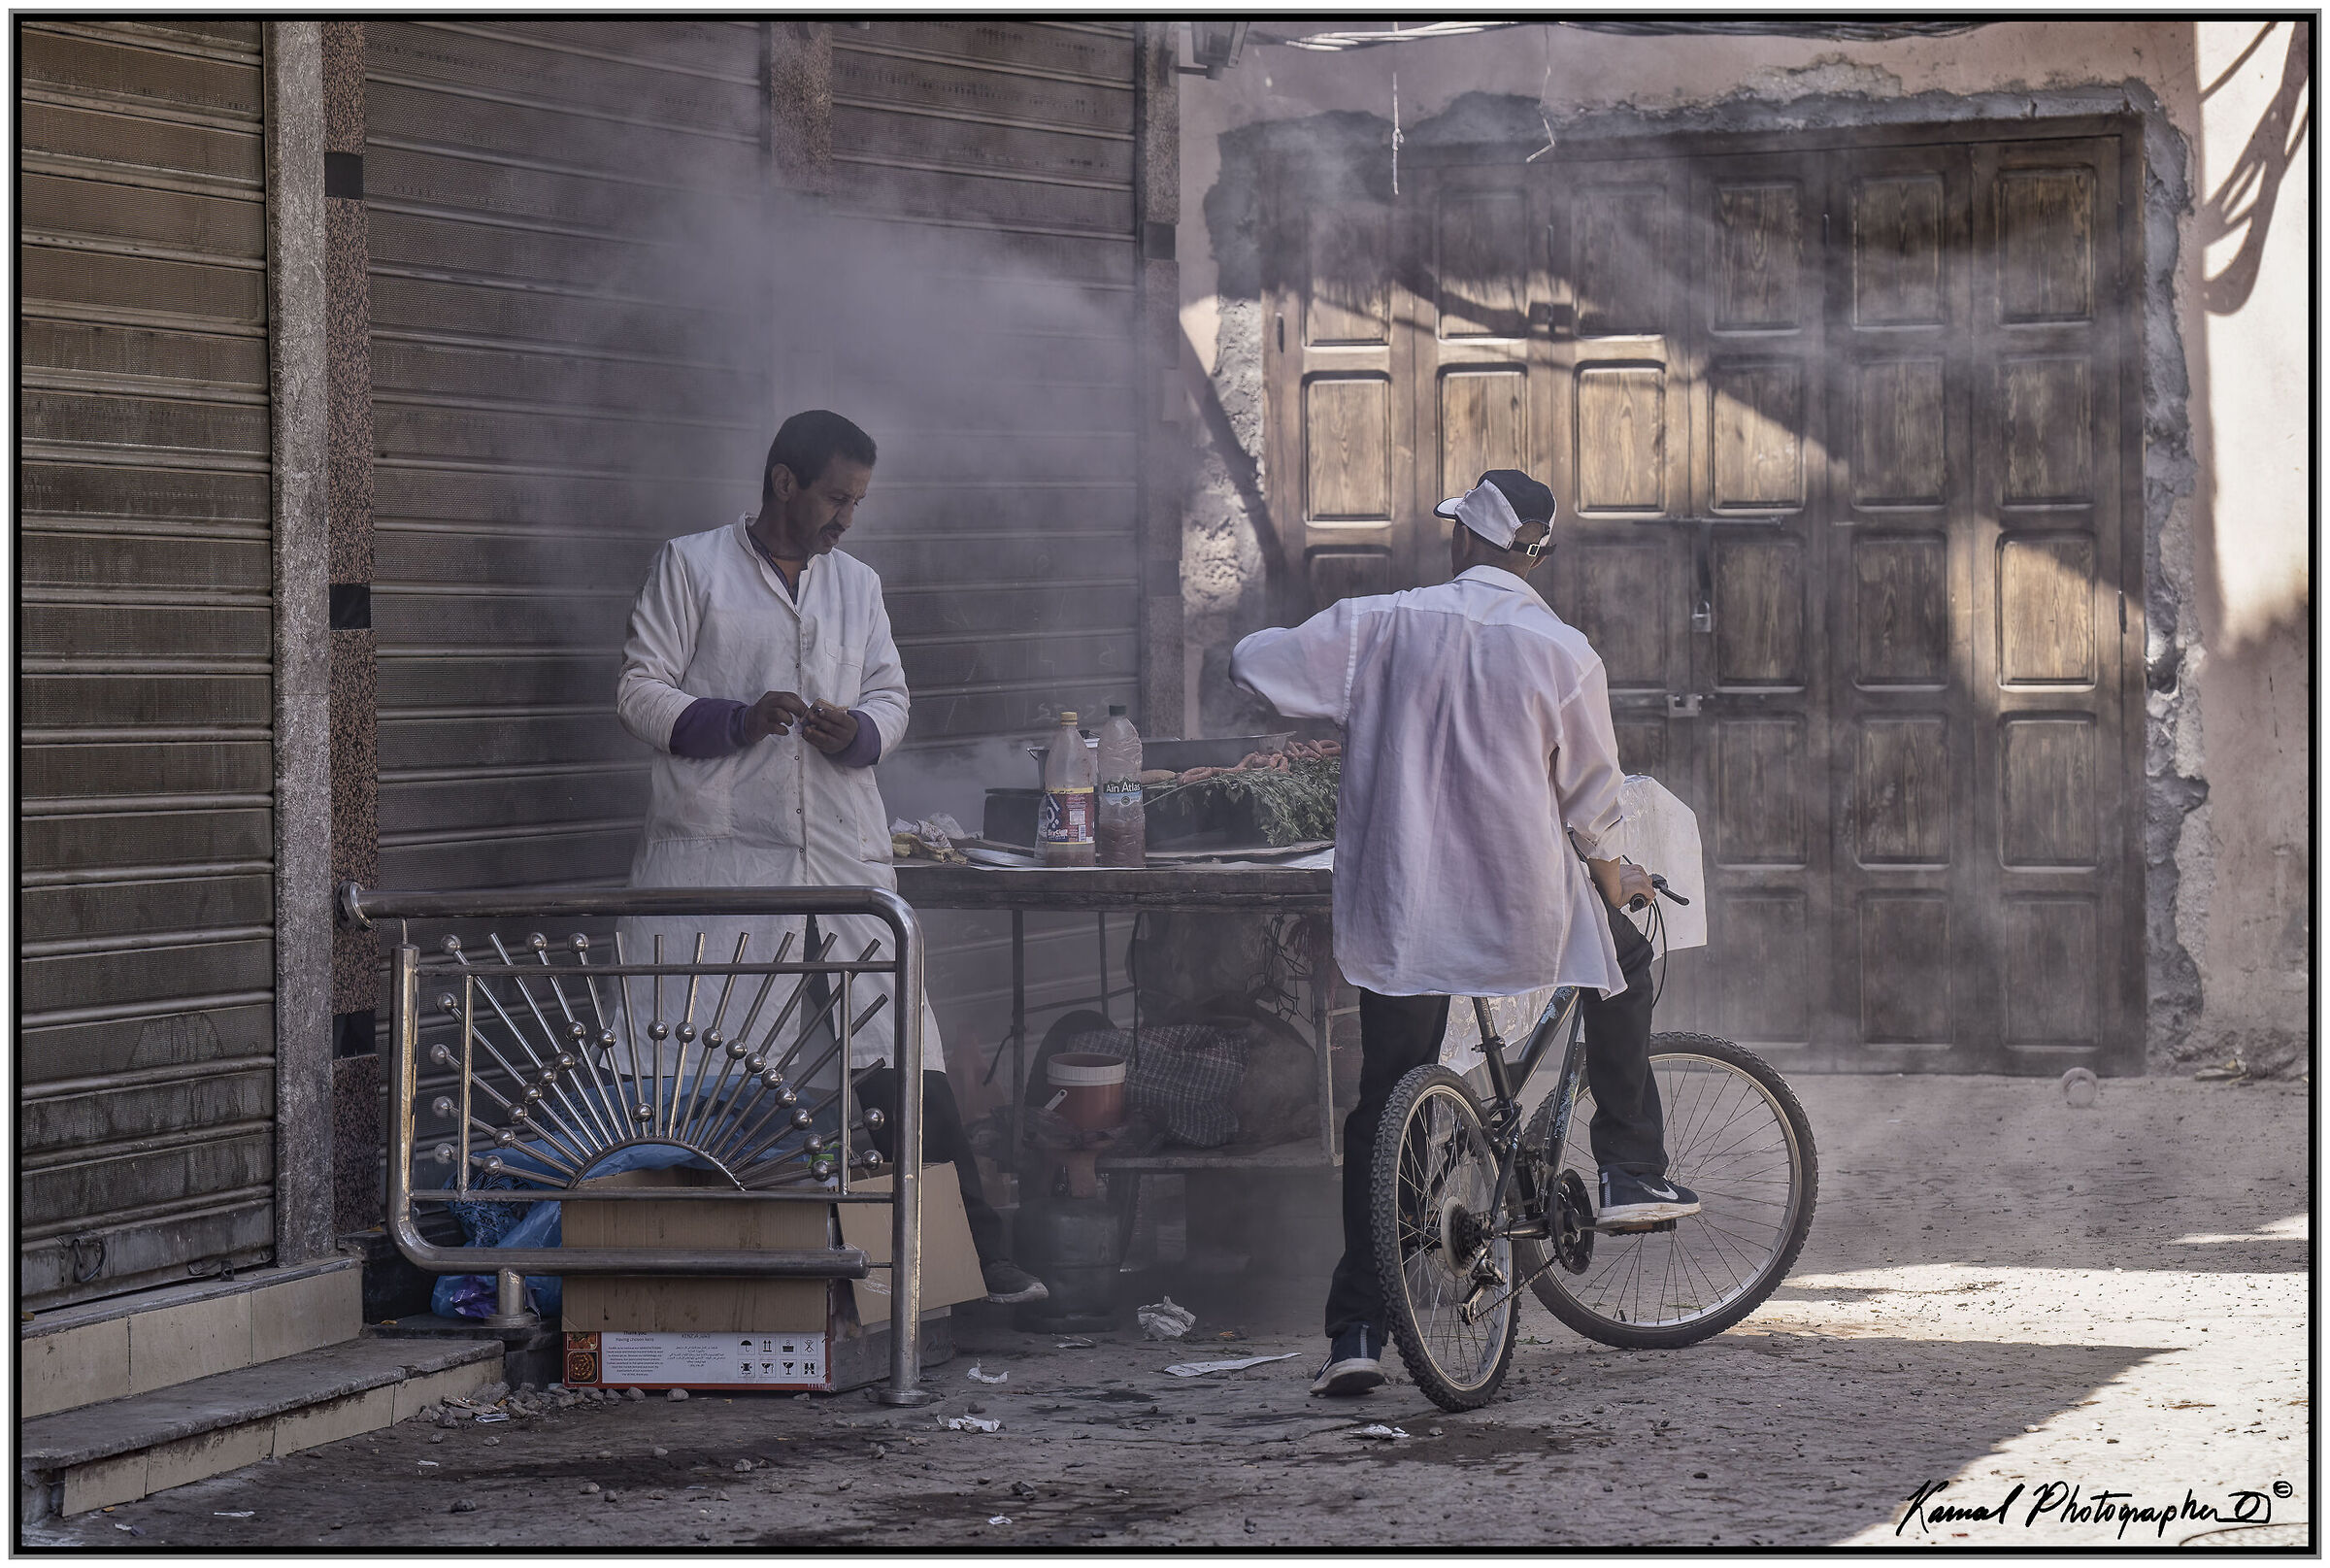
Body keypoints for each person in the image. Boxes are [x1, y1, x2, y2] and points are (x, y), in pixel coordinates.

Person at [1228, 468, 1694, 1396]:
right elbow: (1593, 805)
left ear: (1459, 541)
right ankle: (1632, 1170)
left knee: (1383, 1106)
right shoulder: (1562, 651)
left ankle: (1358, 1329)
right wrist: (1615, 875)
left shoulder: (1383, 623)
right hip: (1521, 912)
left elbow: (1258, 661)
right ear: (1538, 553)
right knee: (1624, 962)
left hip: (1405, 916)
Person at [615, 409, 1047, 1305]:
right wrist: (734, 718)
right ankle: (714, 1271)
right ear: (784, 482)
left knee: (898, 1060)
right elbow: (638, 689)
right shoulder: (691, 565)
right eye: (836, 497)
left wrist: (858, 730)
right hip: (725, 867)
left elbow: (891, 693)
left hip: (843, 862)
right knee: (702, 1067)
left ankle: (966, 1259)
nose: (847, 516)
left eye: (858, 500)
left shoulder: (857, 585)